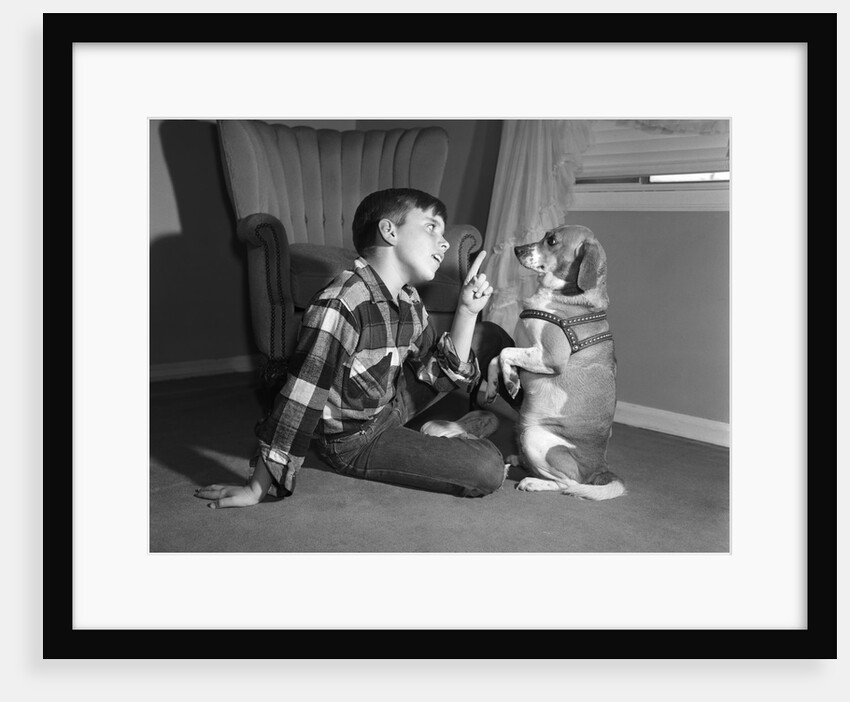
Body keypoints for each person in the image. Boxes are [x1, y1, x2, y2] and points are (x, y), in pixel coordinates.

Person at [194, 188, 509, 509]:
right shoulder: (341, 302)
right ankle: (462, 429)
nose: (444, 242)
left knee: (488, 335)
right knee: (487, 469)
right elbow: (300, 398)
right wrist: (256, 488)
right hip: (354, 440)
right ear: (389, 231)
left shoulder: (410, 298)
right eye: (432, 227)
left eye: (444, 233)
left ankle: (451, 429)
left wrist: (467, 311)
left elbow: (439, 371)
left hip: (388, 404)